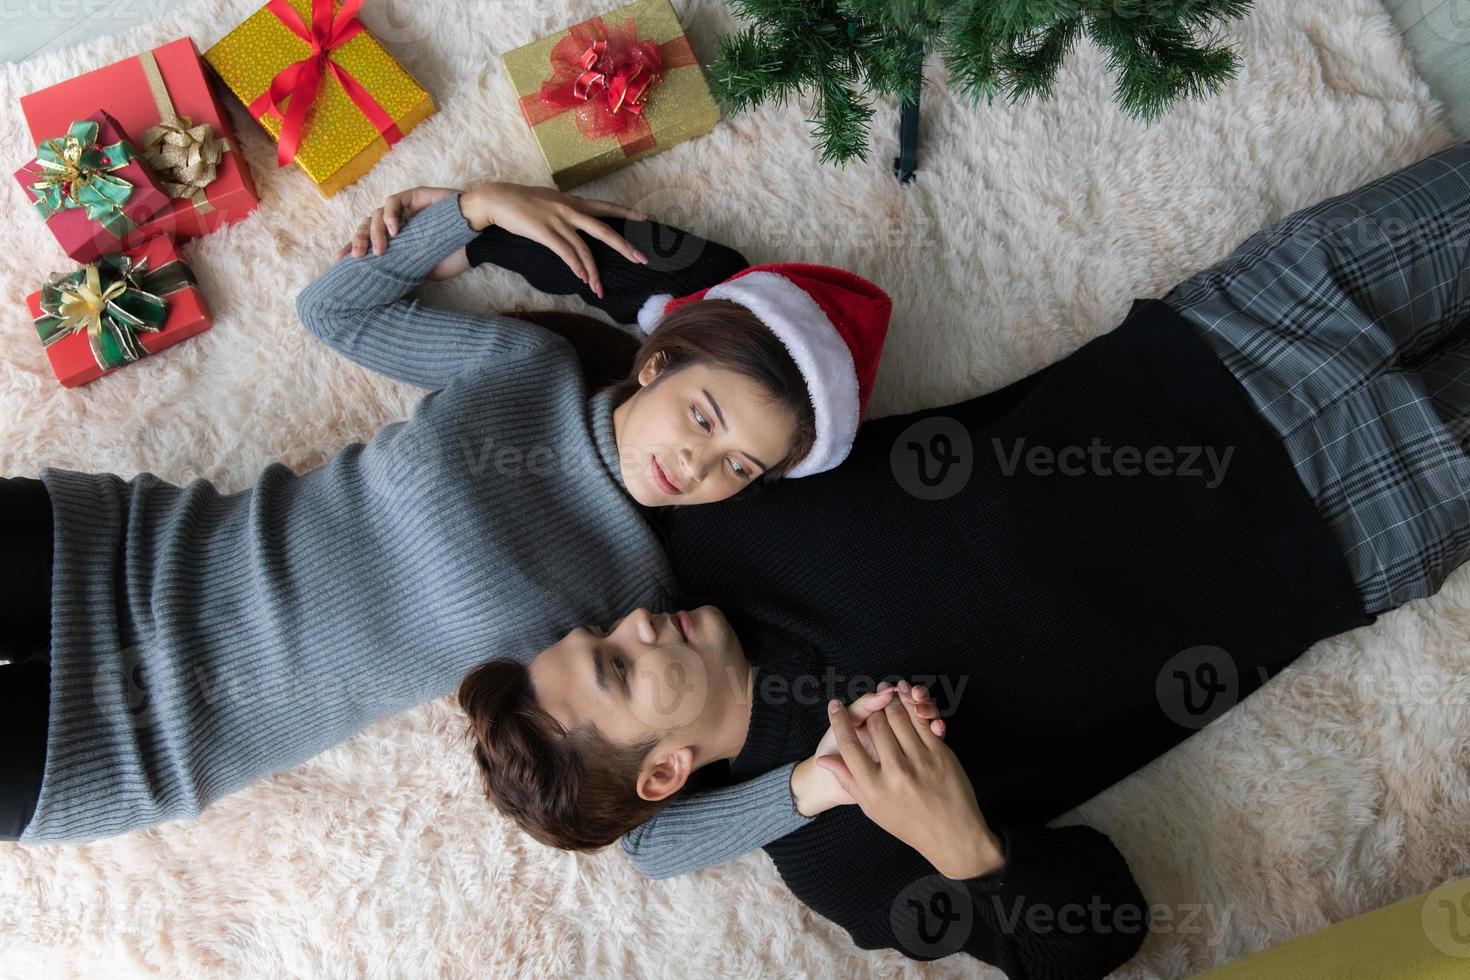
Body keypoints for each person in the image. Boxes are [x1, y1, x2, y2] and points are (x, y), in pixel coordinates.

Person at [458, 142, 1470, 977]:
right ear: (668, 769)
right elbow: (1100, 932)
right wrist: (966, 844)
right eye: (619, 665)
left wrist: (481, 218)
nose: (633, 621)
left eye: (602, 630)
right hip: (1359, 519)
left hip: (1240, 328)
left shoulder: (715, 520)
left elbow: (725, 323)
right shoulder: (838, 852)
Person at [0, 180, 893, 848]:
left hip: (135, 743)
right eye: (704, 417)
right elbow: (334, 311)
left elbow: (648, 838)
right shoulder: (525, 370)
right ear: (658, 364)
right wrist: (476, 208)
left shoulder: (637, 603)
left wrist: (812, 788)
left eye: (739, 465)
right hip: (114, 553)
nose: (697, 464)